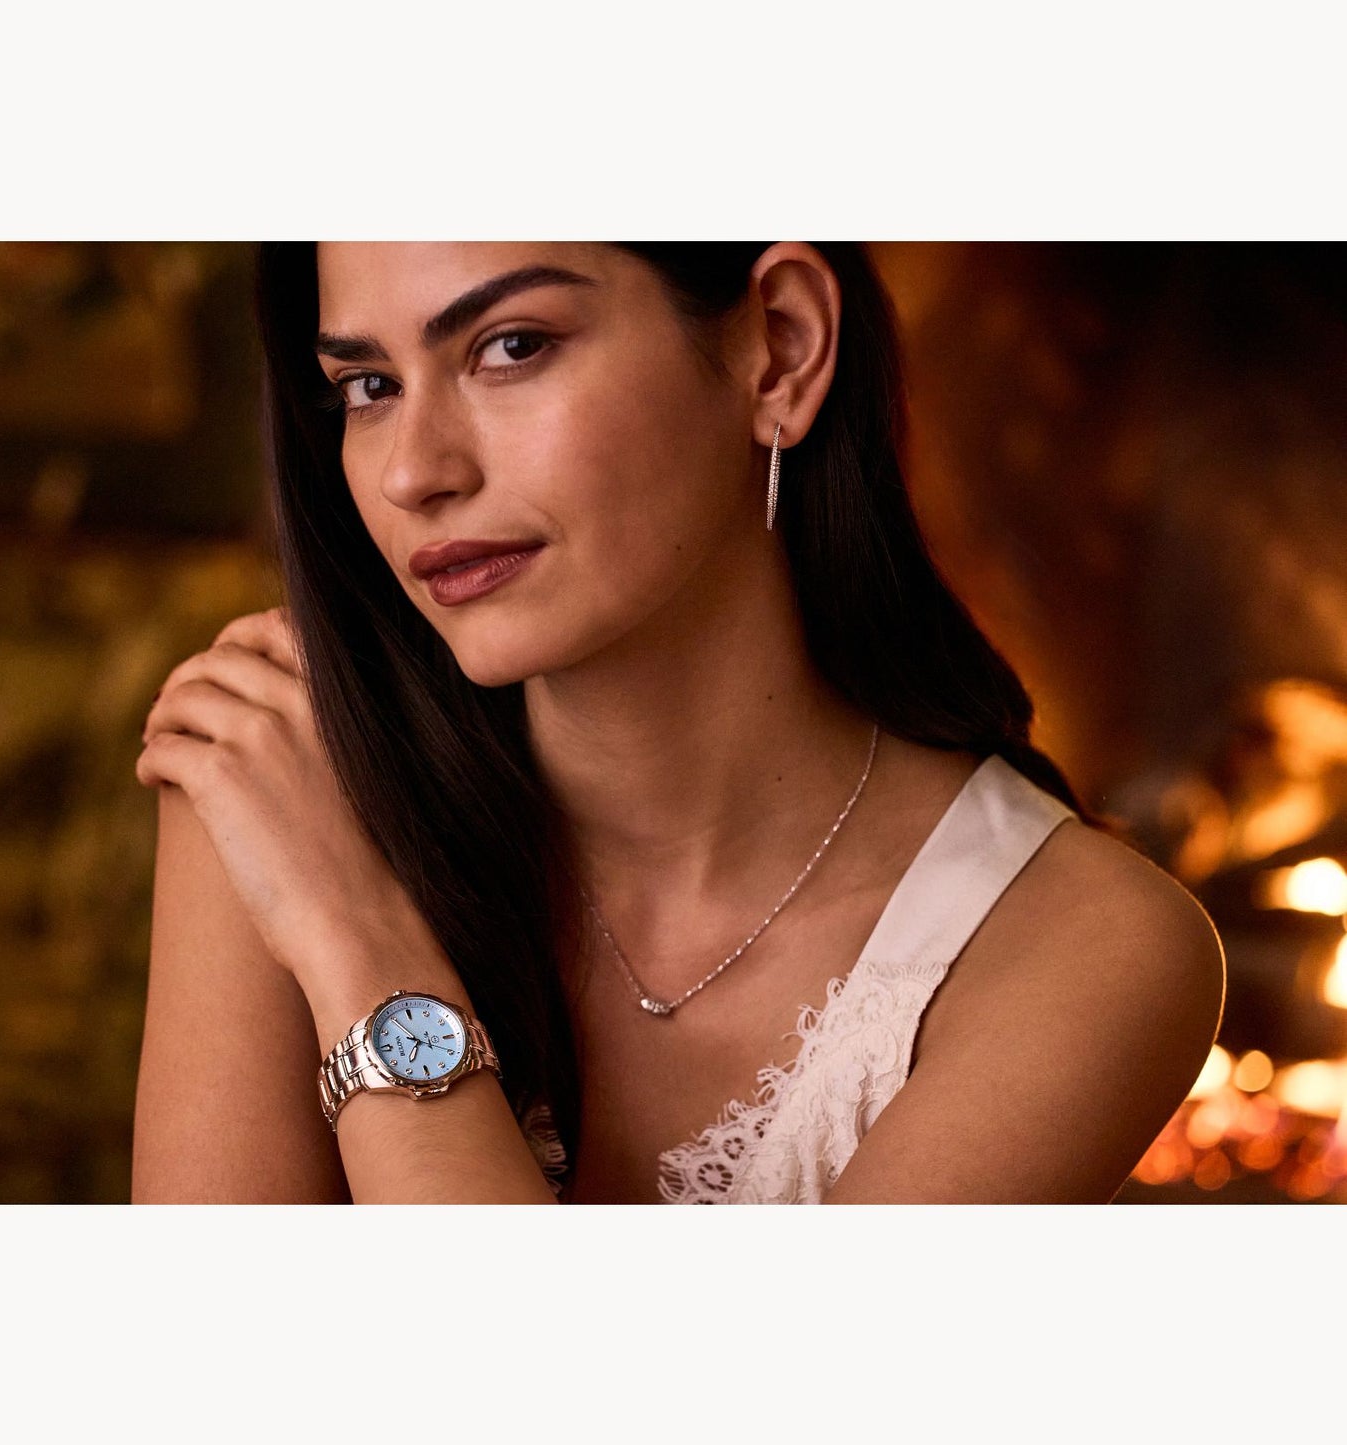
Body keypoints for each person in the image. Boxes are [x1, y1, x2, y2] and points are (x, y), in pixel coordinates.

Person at [132, 243, 1225, 1204]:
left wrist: (359, 946)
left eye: (510, 347)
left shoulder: (1085, 944)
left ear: (780, 348)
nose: (416, 470)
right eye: (368, 384)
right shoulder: (283, 768)